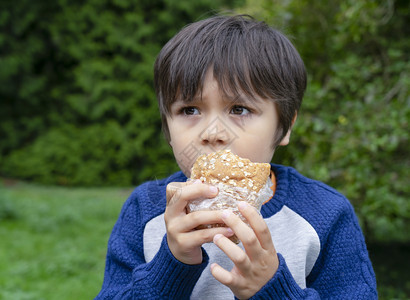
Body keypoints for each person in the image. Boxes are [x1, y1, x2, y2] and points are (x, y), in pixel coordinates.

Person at [95, 14, 377, 299]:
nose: (213, 132)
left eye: (239, 109)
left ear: (284, 127)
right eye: (190, 110)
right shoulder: (146, 212)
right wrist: (172, 262)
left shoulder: (326, 215)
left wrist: (272, 290)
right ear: (167, 128)